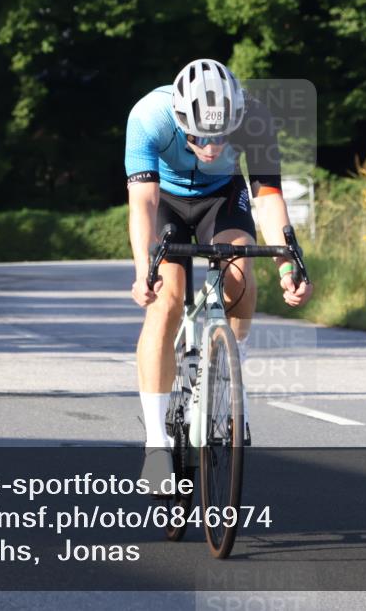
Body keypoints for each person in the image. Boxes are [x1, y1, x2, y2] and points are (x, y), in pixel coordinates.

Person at [124, 59, 313, 486]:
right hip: (166, 202)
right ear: (180, 120)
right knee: (167, 301)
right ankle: (156, 445)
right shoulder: (149, 116)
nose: (210, 148)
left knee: (240, 272)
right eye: (198, 137)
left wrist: (287, 265)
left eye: (221, 135)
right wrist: (142, 271)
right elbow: (143, 203)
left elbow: (268, 197)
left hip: (221, 198)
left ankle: (233, 371)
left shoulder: (255, 118)